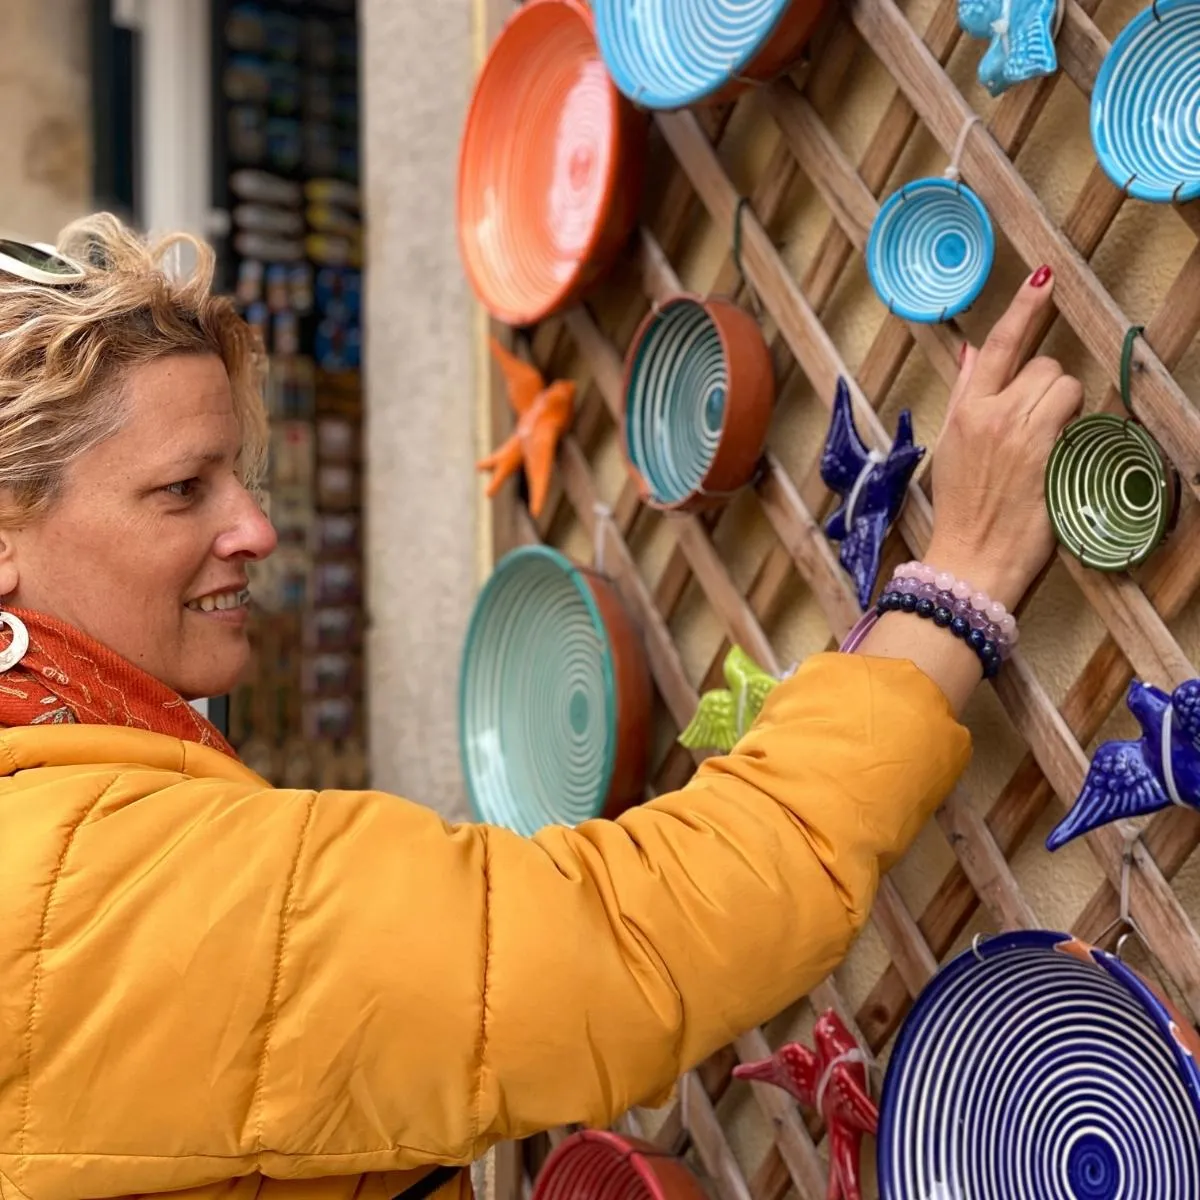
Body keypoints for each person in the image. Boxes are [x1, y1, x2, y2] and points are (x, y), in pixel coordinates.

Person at [0, 217, 1078, 1200]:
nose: (255, 529)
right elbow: (640, 939)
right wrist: (956, 587)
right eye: (185, 488)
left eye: (243, 475)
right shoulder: (98, 886)